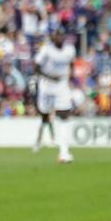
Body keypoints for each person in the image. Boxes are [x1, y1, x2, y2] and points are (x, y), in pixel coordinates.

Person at [33, 29, 77, 164]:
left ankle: (64, 152)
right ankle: (39, 139)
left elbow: (71, 63)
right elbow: (36, 67)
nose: (60, 38)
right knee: (44, 114)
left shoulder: (70, 50)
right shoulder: (46, 50)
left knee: (64, 115)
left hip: (61, 85)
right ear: (53, 38)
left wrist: (71, 77)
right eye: (57, 35)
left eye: (62, 35)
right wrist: (50, 76)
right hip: (46, 85)